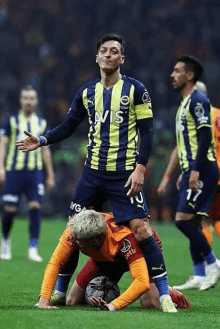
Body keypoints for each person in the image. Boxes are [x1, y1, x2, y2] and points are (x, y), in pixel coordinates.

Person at [16, 33, 174, 306]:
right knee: (74, 230)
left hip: (124, 173)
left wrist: (140, 168)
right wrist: (42, 140)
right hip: (92, 174)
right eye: (105, 50)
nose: (109, 54)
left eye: (115, 51)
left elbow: (147, 132)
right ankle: (60, 292)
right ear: (97, 57)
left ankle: (164, 295)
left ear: (122, 58)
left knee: (141, 229)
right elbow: (68, 126)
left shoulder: (137, 90)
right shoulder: (87, 92)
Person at [157, 56, 219, 290]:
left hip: (202, 170)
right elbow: (185, 143)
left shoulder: (198, 100)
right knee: (191, 220)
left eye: (177, 71)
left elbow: (205, 137)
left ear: (189, 75)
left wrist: (194, 170)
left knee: (183, 221)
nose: (172, 75)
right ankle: (200, 274)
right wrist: (184, 171)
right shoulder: (185, 103)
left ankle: (213, 264)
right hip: (193, 170)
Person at [37, 210, 177, 312]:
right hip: (104, 258)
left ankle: (171, 294)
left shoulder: (125, 239)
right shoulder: (75, 231)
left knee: (150, 302)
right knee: (72, 300)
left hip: (141, 254)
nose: (73, 242)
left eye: (78, 241)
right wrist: (44, 300)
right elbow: (55, 263)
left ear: (94, 240)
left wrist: (114, 305)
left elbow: (141, 281)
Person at [0, 85, 55, 262]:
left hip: (34, 173)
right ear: (20, 100)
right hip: (14, 171)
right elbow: (3, 144)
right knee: (9, 210)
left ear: (36, 101)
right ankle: (6, 241)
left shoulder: (42, 123)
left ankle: (33, 247)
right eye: (25, 98)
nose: (28, 101)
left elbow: (46, 150)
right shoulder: (10, 121)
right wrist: (1, 167)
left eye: (31, 98)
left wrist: (50, 174)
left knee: (35, 208)